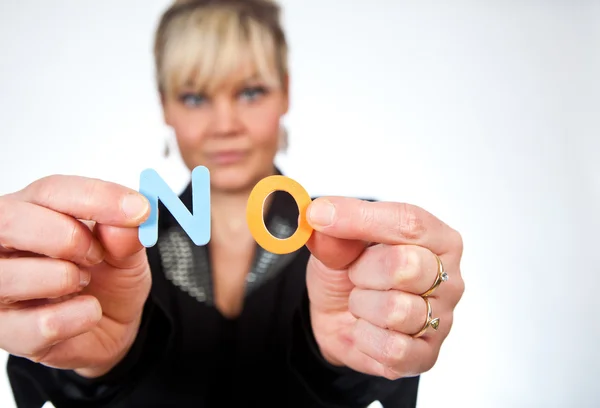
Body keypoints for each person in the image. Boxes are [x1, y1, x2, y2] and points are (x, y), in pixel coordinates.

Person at [1, 0, 465, 407]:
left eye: (249, 92)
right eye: (195, 96)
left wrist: (377, 341)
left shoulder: (353, 244)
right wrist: (94, 363)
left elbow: (382, 387)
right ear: (165, 106)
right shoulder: (111, 245)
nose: (225, 124)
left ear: (285, 92)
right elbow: (48, 385)